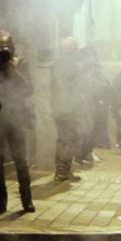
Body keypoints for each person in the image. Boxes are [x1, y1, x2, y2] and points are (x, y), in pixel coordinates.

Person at [0, 31, 35, 214]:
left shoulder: (20, 63)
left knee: (21, 161)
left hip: (15, 117)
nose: (4, 53)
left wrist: (15, 70)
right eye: (0, 49)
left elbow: (28, 90)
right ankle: (1, 200)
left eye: (7, 49)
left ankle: (27, 200)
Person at [51, 37, 83, 182]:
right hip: (69, 107)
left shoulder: (56, 63)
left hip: (58, 106)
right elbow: (73, 87)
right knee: (71, 138)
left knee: (62, 138)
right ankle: (63, 170)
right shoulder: (72, 64)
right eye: (75, 47)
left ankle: (61, 170)